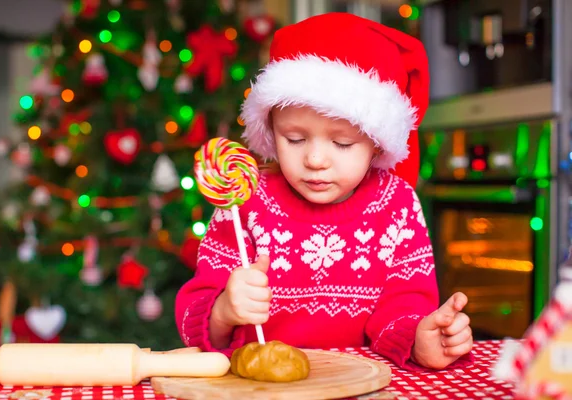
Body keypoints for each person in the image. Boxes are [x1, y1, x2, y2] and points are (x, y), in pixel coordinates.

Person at [175, 12, 473, 370]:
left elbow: (405, 305)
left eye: (343, 143)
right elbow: (197, 313)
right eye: (295, 139)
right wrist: (222, 312)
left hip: (362, 386)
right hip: (259, 386)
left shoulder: (397, 205)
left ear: (377, 144)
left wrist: (420, 339)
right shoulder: (245, 200)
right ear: (271, 130)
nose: (315, 159)